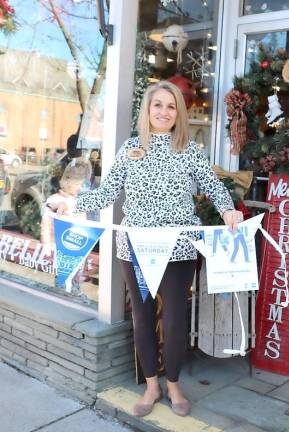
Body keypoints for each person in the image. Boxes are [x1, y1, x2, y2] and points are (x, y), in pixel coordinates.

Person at [54, 81, 243, 417]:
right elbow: (106, 195)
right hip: (136, 249)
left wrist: (228, 209)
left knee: (173, 320)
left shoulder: (189, 150)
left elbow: (214, 186)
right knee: (142, 318)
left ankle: (173, 384)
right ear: (147, 109)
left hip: (179, 249)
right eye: (157, 104)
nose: (163, 111)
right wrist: (73, 204)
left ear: (178, 113)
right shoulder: (129, 149)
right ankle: (152, 386)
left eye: (171, 106)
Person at [41, 158, 92, 291]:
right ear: (68, 183)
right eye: (77, 185)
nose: (79, 188)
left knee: (75, 280)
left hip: (77, 249)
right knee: (61, 279)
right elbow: (46, 225)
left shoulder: (79, 202)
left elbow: (84, 226)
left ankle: (74, 292)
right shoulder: (54, 200)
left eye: (81, 185)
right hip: (60, 250)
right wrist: (47, 245)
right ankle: (61, 295)